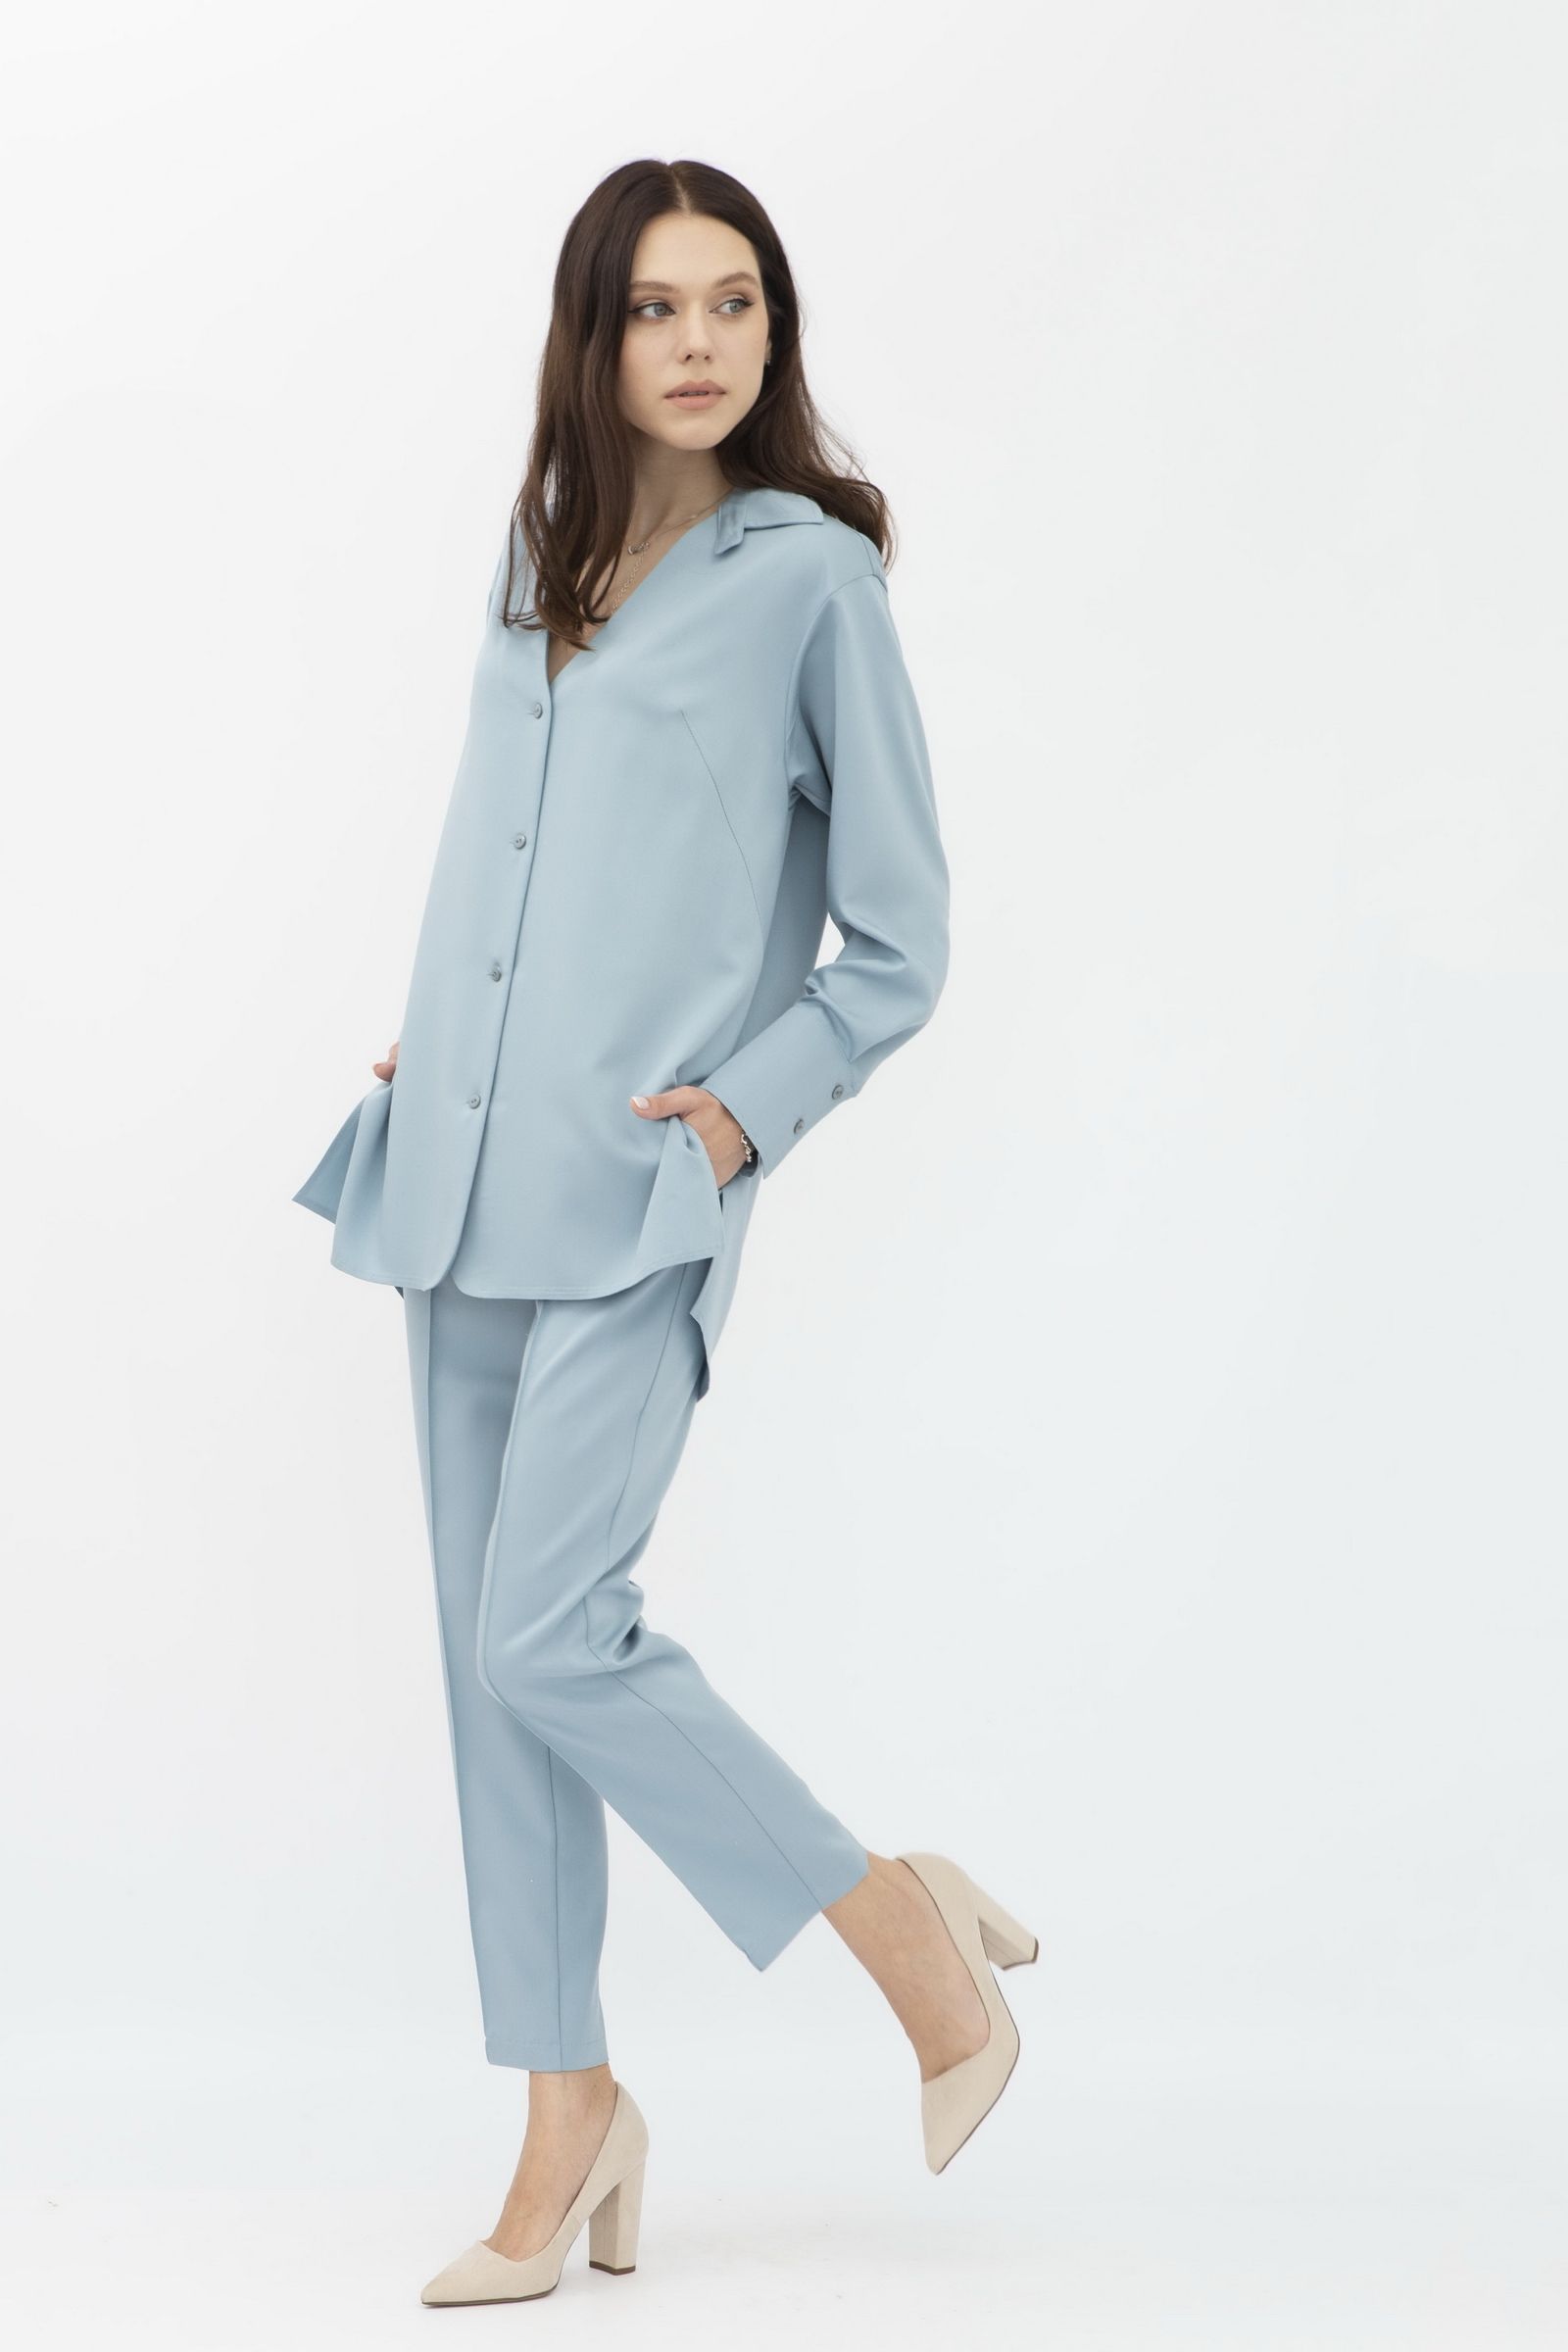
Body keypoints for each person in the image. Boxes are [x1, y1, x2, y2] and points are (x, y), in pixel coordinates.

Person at [292, 156, 1037, 2307]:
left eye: (734, 303)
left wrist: (743, 1115)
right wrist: (442, 1036)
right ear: (594, 337)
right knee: (492, 1684)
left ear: (771, 334)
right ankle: (567, 2118)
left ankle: (897, 1923)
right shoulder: (537, 552)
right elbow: (503, 850)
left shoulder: (813, 582)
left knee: (552, 1632)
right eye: (654, 307)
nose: (698, 342)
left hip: (638, 1196)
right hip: (454, 1168)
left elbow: (897, 943)